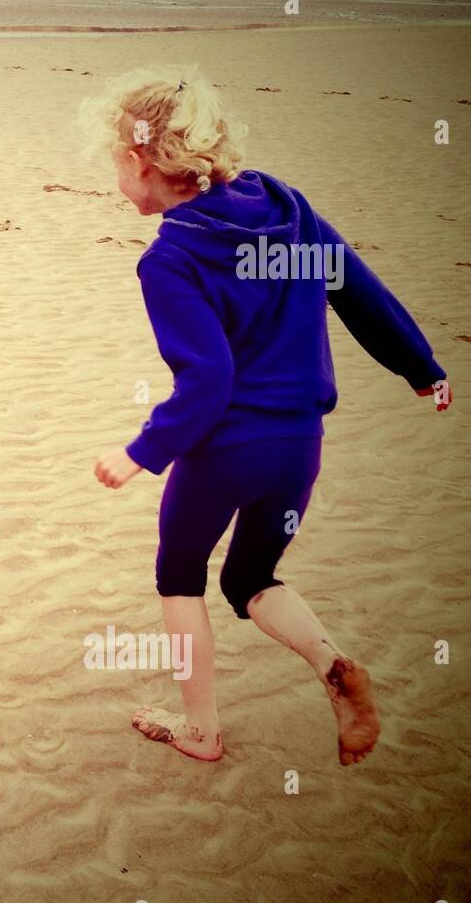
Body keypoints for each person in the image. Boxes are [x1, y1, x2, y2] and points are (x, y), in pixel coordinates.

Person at [80, 66, 450, 767]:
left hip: (223, 449)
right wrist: (422, 368)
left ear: (137, 159)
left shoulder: (171, 257)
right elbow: (356, 288)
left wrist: (143, 450)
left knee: (181, 572)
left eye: (114, 164)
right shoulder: (288, 205)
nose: (115, 179)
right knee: (250, 577)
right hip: (298, 444)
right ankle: (332, 666)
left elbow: (210, 377)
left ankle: (201, 732)